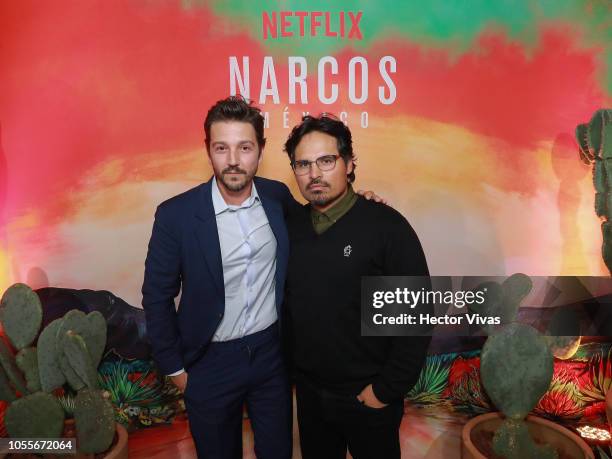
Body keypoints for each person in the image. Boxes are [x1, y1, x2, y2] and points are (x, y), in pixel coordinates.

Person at [142, 97, 383, 458]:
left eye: (245, 147)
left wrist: (359, 206)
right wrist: (176, 370)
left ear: (261, 150)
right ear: (207, 149)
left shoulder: (276, 196)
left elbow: (319, 221)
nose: (234, 160)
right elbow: (156, 297)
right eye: (222, 148)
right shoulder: (176, 216)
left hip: (272, 358)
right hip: (210, 362)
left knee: (277, 452)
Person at [283, 114, 432, 459]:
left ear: (349, 164)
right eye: (303, 164)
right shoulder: (290, 229)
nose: (314, 173)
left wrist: (383, 391)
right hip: (310, 397)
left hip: (368, 398)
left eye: (326, 160)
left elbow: (415, 318)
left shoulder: (387, 228)